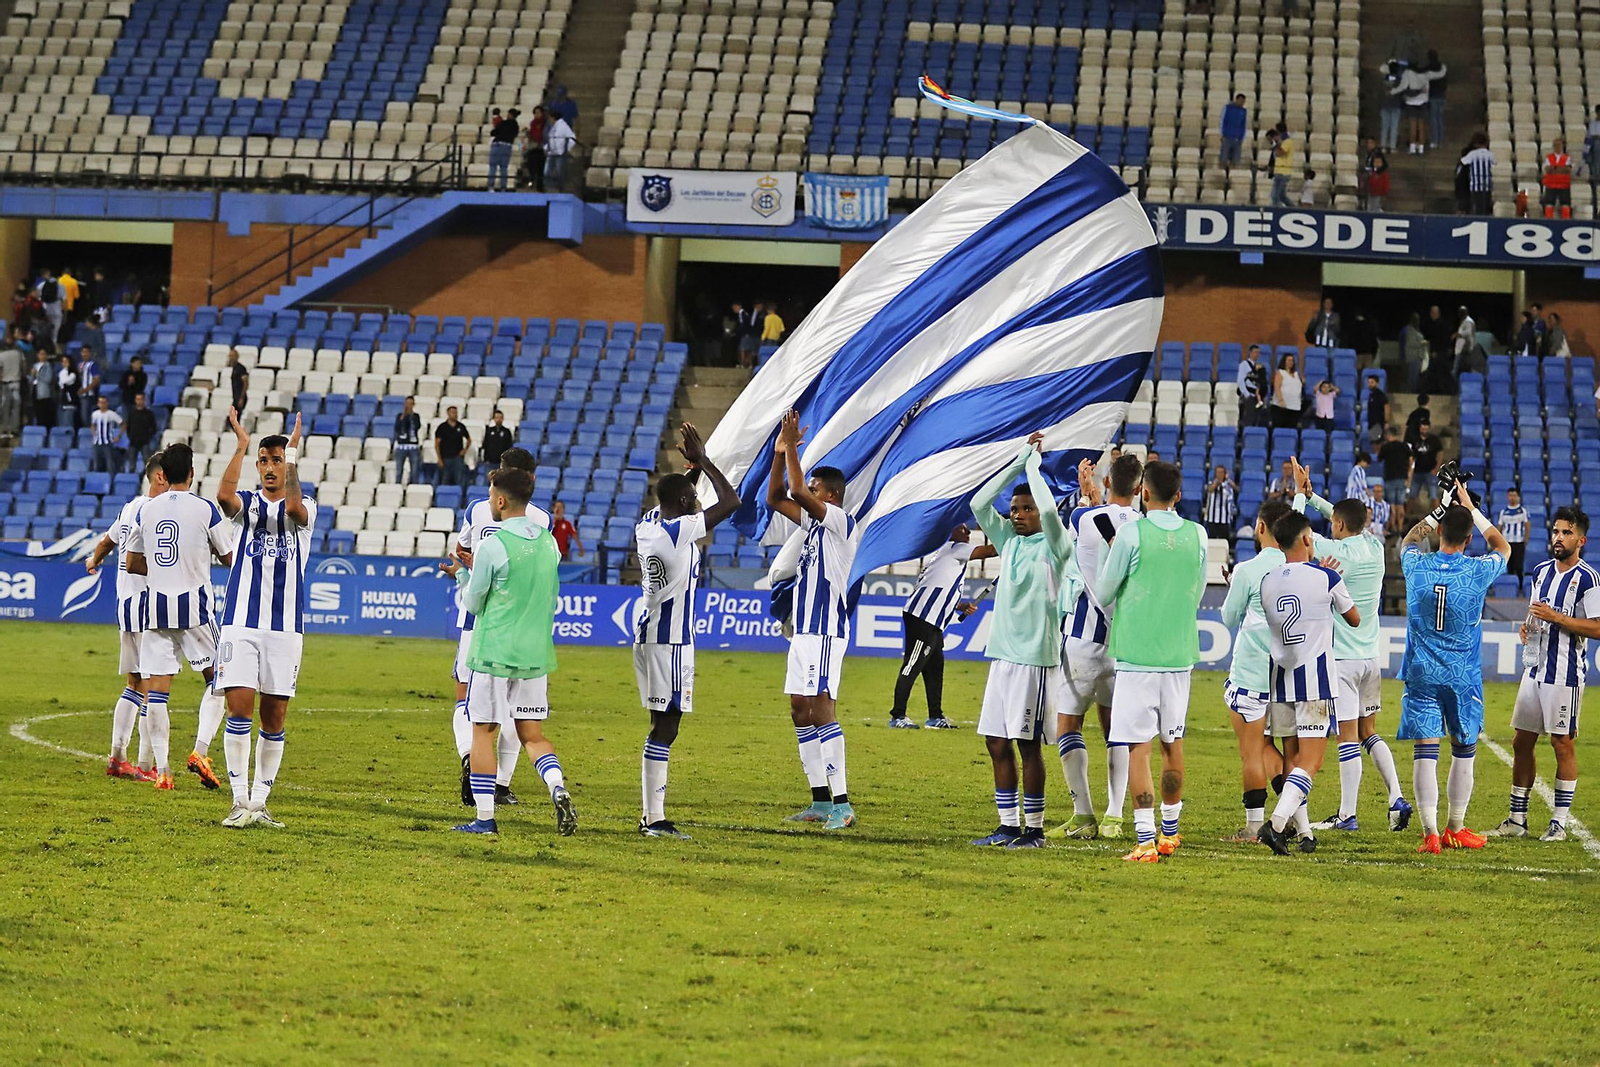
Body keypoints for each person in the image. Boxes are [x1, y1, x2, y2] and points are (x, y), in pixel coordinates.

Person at [444, 467, 575, 836]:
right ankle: (557, 787)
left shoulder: (493, 544)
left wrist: (460, 574)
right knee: (532, 734)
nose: (489, 502)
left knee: (483, 731)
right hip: (535, 654)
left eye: (490, 496)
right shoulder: (550, 543)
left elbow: (472, 603)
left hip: (495, 650)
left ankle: (484, 819)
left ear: (501, 500)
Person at [1090, 461, 1208, 862]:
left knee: (1138, 747)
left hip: (1138, 656)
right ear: (1178, 495)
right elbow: (1196, 592)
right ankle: (1170, 834)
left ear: (1143, 491)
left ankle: (1144, 840)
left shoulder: (1131, 533)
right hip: (1179, 655)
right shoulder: (1199, 535)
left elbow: (1105, 592)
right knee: (1172, 743)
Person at [1290, 459, 1413, 832]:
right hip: (1369, 657)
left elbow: (1296, 535)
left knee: (1347, 737)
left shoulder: (1333, 550)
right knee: (1368, 731)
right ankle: (1395, 796)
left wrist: (1300, 496)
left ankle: (1347, 814)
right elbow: (1347, 518)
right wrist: (1316, 499)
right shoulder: (1375, 546)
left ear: (1339, 526)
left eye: (1333, 522)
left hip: (1341, 658)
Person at [632, 423, 740, 837]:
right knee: (667, 726)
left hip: (652, 634)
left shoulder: (651, 523)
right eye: (694, 499)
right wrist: (707, 462)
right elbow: (731, 501)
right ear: (682, 502)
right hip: (671, 641)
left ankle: (652, 817)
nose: (699, 503)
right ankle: (654, 818)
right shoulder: (677, 531)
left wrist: (691, 467)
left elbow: (678, 492)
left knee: (664, 723)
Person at [967, 433, 1071, 849]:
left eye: (1025, 508)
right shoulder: (1008, 543)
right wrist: (1016, 461)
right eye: (1014, 509)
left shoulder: (1055, 545)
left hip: (1034, 659)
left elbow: (1049, 509)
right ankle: (1008, 826)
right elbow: (978, 503)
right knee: (996, 742)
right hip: (1003, 659)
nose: (1018, 514)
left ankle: (1036, 830)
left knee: (1029, 746)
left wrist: (1034, 465)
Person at [212, 410, 315, 829]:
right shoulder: (248, 506)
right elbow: (223, 496)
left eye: (277, 460)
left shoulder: (305, 506)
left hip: (285, 628)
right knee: (239, 709)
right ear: (257, 466)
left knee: (273, 718)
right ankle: (239, 801)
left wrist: (291, 454)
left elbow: (291, 506)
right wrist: (240, 446)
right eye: (264, 460)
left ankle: (260, 802)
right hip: (240, 622)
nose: (271, 467)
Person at [1398, 479, 1511, 853]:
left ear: (1442, 531)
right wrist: (1471, 508)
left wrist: (1440, 507)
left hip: (1421, 671)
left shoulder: (1417, 564)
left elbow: (1409, 541)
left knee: (1425, 752)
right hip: (1462, 674)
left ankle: (1430, 833)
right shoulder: (1477, 570)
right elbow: (1503, 546)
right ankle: (1455, 827)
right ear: (1467, 541)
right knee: (1464, 750)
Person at [123, 445, 235, 791]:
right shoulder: (204, 508)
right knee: (220, 679)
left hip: (155, 608)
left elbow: (132, 562)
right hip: (194, 608)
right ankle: (200, 750)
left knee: (156, 693)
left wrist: (161, 567)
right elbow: (229, 556)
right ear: (191, 472)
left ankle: (164, 771)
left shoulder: (147, 509)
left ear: (164, 474)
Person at [766, 410, 857, 831]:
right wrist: (779, 453)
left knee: (822, 709)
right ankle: (820, 800)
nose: (808, 493)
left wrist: (793, 453)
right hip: (803, 631)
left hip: (825, 629)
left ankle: (843, 803)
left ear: (831, 496)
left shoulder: (840, 522)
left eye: (818, 489)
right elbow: (776, 498)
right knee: (800, 708)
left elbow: (797, 488)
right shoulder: (814, 527)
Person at [1048, 454, 1145, 840]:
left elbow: (1088, 531)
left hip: (1084, 638)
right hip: (1124, 643)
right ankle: (1114, 817)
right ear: (1140, 489)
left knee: (1068, 723)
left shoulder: (1083, 518)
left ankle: (1083, 814)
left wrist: (1090, 495)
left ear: (1108, 483)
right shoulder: (1145, 527)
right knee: (1116, 726)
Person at [1256, 511, 1363, 856]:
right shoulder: (1326, 576)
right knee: (1312, 760)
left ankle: (1304, 834)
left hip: (1280, 679)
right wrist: (1329, 576)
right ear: (1305, 540)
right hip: (1314, 680)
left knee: (1293, 759)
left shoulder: (1268, 580)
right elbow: (1354, 619)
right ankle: (1274, 825)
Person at [446, 448, 547, 808]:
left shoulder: (478, 508)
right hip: (521, 624)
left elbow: (460, 550)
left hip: (479, 619)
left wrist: (471, 569)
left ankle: (470, 759)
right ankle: (500, 783)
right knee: (517, 708)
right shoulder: (542, 519)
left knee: (468, 699)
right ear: (532, 480)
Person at [1492, 508, 1597, 841]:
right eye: (1555, 531)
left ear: (1580, 540)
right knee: (1521, 741)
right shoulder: (1539, 571)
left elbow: (1597, 627)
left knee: (1561, 743)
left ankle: (1560, 822)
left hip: (1564, 674)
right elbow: (1537, 611)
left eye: (1566, 533)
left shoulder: (1588, 579)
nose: (1558, 538)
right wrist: (1528, 627)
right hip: (1534, 669)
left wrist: (1556, 617)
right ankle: (1516, 819)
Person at [85, 451, 168, 782]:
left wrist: (94, 561)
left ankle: (118, 757)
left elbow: (108, 540)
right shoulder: (157, 511)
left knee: (135, 683)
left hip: (126, 605)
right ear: (160, 476)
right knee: (153, 687)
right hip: (147, 605)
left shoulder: (130, 507)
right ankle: (147, 765)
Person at [1219, 500, 1293, 841]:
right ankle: (1288, 816)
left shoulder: (1248, 570)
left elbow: (1229, 618)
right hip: (1288, 676)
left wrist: (1235, 585)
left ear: (1261, 528)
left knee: (1251, 749)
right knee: (1265, 746)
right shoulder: (1301, 567)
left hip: (1251, 675)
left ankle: (1253, 826)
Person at [889, 525, 993, 729]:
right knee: (912, 664)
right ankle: (897, 716)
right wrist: (1010, 535)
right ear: (950, 533)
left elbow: (937, 587)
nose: (968, 532)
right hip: (924, 618)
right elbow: (990, 551)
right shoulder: (956, 548)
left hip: (930, 618)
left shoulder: (944, 554)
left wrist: (960, 605)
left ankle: (935, 717)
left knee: (935, 669)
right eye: (962, 529)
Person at [1394, 59, 1430, 154]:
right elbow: (1426, 89)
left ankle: (1412, 147)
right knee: (1421, 126)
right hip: (1423, 101)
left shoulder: (1408, 74)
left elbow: (1404, 86)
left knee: (1413, 126)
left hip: (1411, 102)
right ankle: (1421, 148)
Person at [434, 405, 471, 489]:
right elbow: (437, 444)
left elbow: (469, 439)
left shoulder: (461, 426)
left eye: (456, 412)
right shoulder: (442, 427)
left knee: (459, 479)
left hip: (457, 458)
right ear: (448, 413)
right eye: (453, 412)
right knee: (445, 479)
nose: (455, 414)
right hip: (445, 458)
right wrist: (439, 459)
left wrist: (464, 450)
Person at [1460, 134, 1495, 215]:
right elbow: (1495, 163)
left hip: (1475, 186)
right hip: (1487, 186)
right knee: (1485, 207)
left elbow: (1463, 162)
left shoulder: (1472, 154)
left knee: (1477, 207)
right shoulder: (1490, 154)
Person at [1498, 487, 1528, 580]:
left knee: (1519, 566)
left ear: (1518, 497)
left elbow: (1527, 526)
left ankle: (1520, 588)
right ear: (1507, 496)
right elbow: (1499, 527)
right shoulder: (1503, 512)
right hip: (1507, 542)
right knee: (1509, 566)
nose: (1512, 498)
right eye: (1510, 495)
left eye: (1514, 495)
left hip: (1519, 542)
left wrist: (1525, 540)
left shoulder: (1523, 511)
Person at [1420, 50, 1448, 149]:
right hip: (1441, 95)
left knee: (1433, 119)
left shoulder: (1428, 69)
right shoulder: (1443, 68)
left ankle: (1434, 141)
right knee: (1439, 119)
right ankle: (1440, 140)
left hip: (1432, 96)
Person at [89, 395, 124, 473]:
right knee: (96, 464)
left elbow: (123, 424)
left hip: (107, 443)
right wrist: (93, 433)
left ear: (107, 403)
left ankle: (111, 482)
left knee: (110, 464)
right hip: (96, 443)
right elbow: (93, 424)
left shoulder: (111, 414)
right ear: (98, 404)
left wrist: (119, 436)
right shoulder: (95, 414)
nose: (102, 404)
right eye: (101, 402)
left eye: (104, 402)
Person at [543, 109, 576, 191]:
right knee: (547, 172)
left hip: (560, 154)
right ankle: (549, 188)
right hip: (552, 153)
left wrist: (566, 148)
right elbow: (551, 139)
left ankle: (560, 189)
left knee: (559, 173)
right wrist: (546, 148)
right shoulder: (553, 127)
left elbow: (572, 138)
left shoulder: (563, 126)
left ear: (553, 118)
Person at [1203, 464, 1238, 541]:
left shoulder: (1228, 484)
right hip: (1212, 517)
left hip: (1224, 518)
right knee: (1212, 540)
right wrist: (1216, 483)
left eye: (1221, 472)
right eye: (1218, 472)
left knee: (1224, 540)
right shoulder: (1211, 482)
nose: (1220, 474)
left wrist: (1228, 480)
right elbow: (1209, 490)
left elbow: (1237, 489)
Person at [1541, 138, 1574, 219]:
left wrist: (1554, 168)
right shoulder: (1549, 157)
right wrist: (1560, 168)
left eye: (1559, 145)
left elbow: (1567, 170)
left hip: (1564, 185)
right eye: (1555, 145)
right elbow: (1547, 170)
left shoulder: (1567, 157)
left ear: (1562, 146)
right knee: (1549, 204)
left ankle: (1566, 222)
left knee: (1565, 205)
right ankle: (1548, 221)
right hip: (1551, 184)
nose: (1557, 147)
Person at [1411, 421, 1443, 501]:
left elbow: (1440, 454)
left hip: (1431, 471)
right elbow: (1410, 456)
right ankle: (1408, 513)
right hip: (1417, 471)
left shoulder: (1434, 440)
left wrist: (1437, 468)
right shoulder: (1414, 439)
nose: (1424, 429)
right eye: (1422, 427)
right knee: (1412, 495)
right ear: (1419, 428)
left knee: (1433, 495)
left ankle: (1439, 513)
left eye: (1426, 427)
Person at [125, 393, 157, 473]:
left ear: (144, 400)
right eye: (138, 399)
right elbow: (128, 427)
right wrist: (130, 436)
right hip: (133, 442)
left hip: (144, 442)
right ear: (135, 400)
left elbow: (154, 428)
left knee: (148, 464)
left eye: (141, 399)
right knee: (132, 465)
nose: (139, 401)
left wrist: (147, 437)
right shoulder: (131, 413)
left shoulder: (149, 414)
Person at [488, 106, 518, 191]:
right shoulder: (516, 126)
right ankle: (503, 188)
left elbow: (493, 132)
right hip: (507, 146)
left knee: (493, 167)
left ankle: (491, 187)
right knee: (504, 167)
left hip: (497, 144)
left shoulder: (502, 123)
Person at [393, 395, 422, 484]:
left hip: (413, 447)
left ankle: (413, 486)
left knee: (414, 471)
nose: (408, 405)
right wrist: (403, 418)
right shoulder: (399, 416)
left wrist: (411, 416)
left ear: (413, 405)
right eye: (407, 403)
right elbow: (397, 428)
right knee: (399, 471)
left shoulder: (416, 416)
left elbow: (417, 426)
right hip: (401, 446)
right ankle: (397, 487)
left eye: (410, 404)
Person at [1236, 344, 1265, 428]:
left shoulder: (1259, 366)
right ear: (1250, 353)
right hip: (1248, 395)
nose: (1257, 354)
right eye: (1255, 352)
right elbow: (1240, 380)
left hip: (1257, 395)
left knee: (1256, 418)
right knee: (1248, 418)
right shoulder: (1244, 365)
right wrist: (1246, 394)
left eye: (1258, 353)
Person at [1271, 352, 1303, 429]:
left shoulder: (1296, 374)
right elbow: (1277, 387)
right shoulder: (1280, 372)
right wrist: (1281, 400)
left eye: (1292, 360)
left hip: (1295, 406)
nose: (1290, 362)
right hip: (1281, 406)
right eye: (1288, 360)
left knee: (1291, 429)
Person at [0, 332, 23, 435]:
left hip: (5, 383)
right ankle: (14, 429)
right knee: (16, 407)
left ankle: (5, 428)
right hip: (16, 382)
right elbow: (24, 367)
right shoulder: (18, 354)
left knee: (5, 407)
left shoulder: (1, 355)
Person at [1379, 61, 1403, 151]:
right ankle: (1392, 147)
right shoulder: (1400, 81)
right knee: (1394, 127)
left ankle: (1383, 146)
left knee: (1384, 127)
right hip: (1396, 105)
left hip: (1385, 105)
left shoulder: (1383, 80)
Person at [1268, 128, 1295, 207]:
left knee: (1275, 196)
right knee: (1282, 196)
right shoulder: (1279, 144)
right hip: (1278, 172)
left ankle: (1277, 211)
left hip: (1284, 172)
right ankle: (1293, 208)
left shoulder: (1287, 142)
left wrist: (1274, 144)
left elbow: (1280, 153)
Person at [77, 342, 102, 428]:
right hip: (80, 394)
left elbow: (96, 380)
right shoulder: (79, 365)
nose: (85, 354)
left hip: (89, 395)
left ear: (90, 353)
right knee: (81, 416)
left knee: (86, 416)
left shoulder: (93, 365)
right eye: (83, 352)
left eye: (87, 352)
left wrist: (86, 389)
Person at [1220, 93, 1248, 167]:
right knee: (1224, 157)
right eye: (1240, 101)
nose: (1242, 103)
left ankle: (1233, 173)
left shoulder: (1244, 111)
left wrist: (1242, 136)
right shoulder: (1228, 108)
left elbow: (1243, 124)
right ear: (1236, 100)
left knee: (1236, 159)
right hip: (1227, 136)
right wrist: (1222, 134)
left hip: (1238, 138)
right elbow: (1223, 121)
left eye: (1243, 102)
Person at [1363, 137, 1390, 211]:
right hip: (1371, 194)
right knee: (1370, 208)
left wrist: (1384, 194)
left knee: (1376, 208)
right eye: (1375, 162)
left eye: (1379, 162)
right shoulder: (1371, 174)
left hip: (1379, 195)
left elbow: (1386, 185)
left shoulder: (1384, 174)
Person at [37, 269, 63, 344]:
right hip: (57, 311)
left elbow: (38, 297)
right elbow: (64, 300)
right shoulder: (60, 285)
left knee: (45, 331)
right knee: (54, 334)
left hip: (45, 310)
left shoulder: (42, 285)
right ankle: (53, 347)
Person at [524, 106, 547, 189]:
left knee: (541, 168)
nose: (537, 115)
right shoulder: (532, 123)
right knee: (531, 166)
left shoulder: (546, 124)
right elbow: (531, 135)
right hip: (533, 147)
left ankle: (540, 186)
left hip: (542, 148)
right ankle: (531, 182)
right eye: (535, 113)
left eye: (538, 113)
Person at [733, 302, 761, 370]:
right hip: (748, 334)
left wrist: (741, 332)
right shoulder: (745, 313)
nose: (734, 309)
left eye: (734, 307)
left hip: (745, 335)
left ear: (738, 306)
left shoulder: (742, 314)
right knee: (748, 350)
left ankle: (742, 364)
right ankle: (749, 364)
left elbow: (743, 324)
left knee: (742, 349)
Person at [1452, 305, 1478, 378]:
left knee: (1457, 368)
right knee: (1459, 369)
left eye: (1462, 312)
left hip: (1466, 349)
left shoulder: (1468, 321)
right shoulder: (1463, 321)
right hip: (1461, 348)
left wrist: (1458, 334)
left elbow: (1468, 333)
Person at [56, 353, 79, 430]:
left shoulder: (73, 374)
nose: (64, 364)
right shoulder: (61, 372)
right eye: (63, 362)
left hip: (70, 402)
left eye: (66, 361)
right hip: (62, 401)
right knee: (61, 423)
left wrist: (64, 372)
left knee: (68, 423)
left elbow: (64, 381)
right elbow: (60, 384)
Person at [1365, 374, 1389, 447]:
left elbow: (1387, 408)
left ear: (1377, 383)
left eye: (1372, 382)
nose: (1370, 384)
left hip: (1378, 424)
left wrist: (1386, 421)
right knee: (1373, 443)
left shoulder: (1381, 395)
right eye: (1369, 382)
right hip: (1372, 424)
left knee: (1377, 444)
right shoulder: (1371, 395)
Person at [1586, 105, 1600, 215]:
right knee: (1595, 187)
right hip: (1595, 160)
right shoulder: (1593, 125)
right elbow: (1588, 141)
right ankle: (1595, 211)